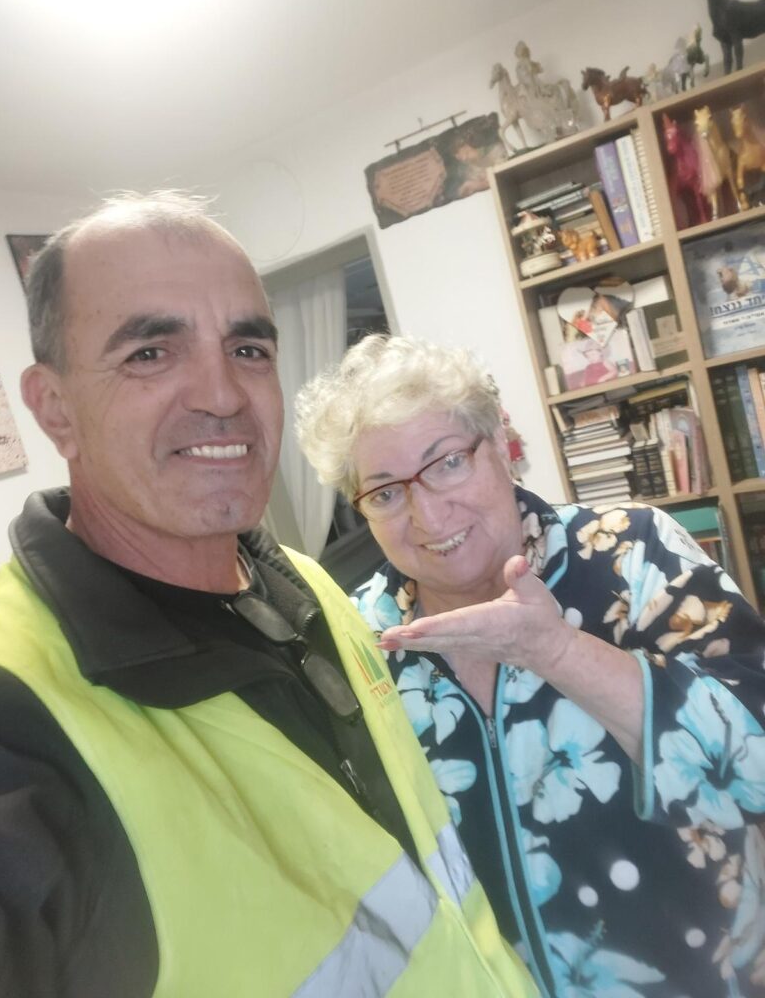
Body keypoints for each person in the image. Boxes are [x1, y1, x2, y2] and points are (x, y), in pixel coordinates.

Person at [0, 194, 537, 998]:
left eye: (248, 348)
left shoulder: (307, 584)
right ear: (54, 408)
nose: (222, 395)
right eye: (151, 353)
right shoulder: (18, 711)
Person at [295, 333, 765, 998]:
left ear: (501, 444)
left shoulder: (632, 552)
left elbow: (756, 761)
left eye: (447, 463)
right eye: (385, 493)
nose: (428, 513)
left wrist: (558, 651)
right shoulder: (358, 637)